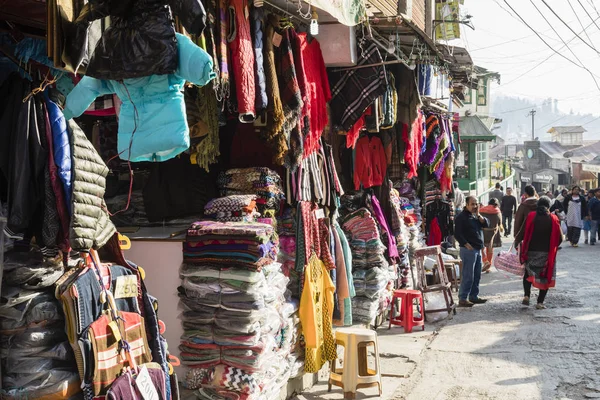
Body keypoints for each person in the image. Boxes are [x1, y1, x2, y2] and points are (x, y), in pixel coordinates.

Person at [519, 196, 562, 309]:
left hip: (531, 251)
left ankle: (526, 296)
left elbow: (523, 231)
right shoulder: (553, 218)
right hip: (546, 253)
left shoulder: (531, 216)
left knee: (528, 274)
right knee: (545, 277)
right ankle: (540, 302)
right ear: (549, 206)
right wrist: (554, 246)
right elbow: (560, 237)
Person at [454, 196, 489, 307]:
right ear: (467, 205)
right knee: (468, 275)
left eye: (476, 204)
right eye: (472, 204)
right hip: (468, 250)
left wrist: (478, 215)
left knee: (477, 274)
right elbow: (457, 233)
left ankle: (473, 296)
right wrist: (465, 243)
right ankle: (463, 298)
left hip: (477, 249)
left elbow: (485, 224)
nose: (474, 206)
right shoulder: (461, 217)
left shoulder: (475, 216)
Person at [479, 198, 503, 273]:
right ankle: (488, 265)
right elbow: (499, 222)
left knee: (482, 248)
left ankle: (485, 260)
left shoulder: (482, 210)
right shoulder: (497, 211)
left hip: (483, 231)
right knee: (490, 249)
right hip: (492, 232)